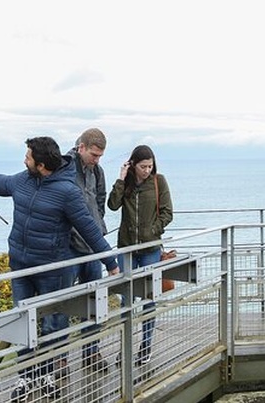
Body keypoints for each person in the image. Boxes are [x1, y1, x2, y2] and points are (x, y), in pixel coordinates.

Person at [0, 136, 119, 401]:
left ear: (41, 164)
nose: (24, 159)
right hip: (20, 267)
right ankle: (26, 377)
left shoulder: (67, 192)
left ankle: (46, 374)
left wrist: (110, 264)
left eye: (28, 156)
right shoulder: (23, 180)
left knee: (51, 325)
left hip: (52, 270)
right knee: (22, 322)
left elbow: (90, 229)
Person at [107, 144, 173, 366]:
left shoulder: (158, 181)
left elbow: (167, 212)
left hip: (150, 251)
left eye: (150, 166)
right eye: (143, 166)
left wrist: (152, 232)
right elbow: (112, 205)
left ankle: (146, 347)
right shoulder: (125, 183)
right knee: (127, 300)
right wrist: (120, 178)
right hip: (126, 251)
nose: (147, 170)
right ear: (133, 164)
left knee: (148, 300)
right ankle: (125, 348)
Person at [65, 128, 109, 372]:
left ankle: (91, 353)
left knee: (95, 302)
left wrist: (97, 227)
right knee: (62, 304)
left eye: (100, 156)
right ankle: (60, 359)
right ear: (80, 147)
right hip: (69, 248)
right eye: (94, 154)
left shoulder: (97, 171)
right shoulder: (64, 168)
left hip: (92, 247)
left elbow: (99, 201)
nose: (96, 160)